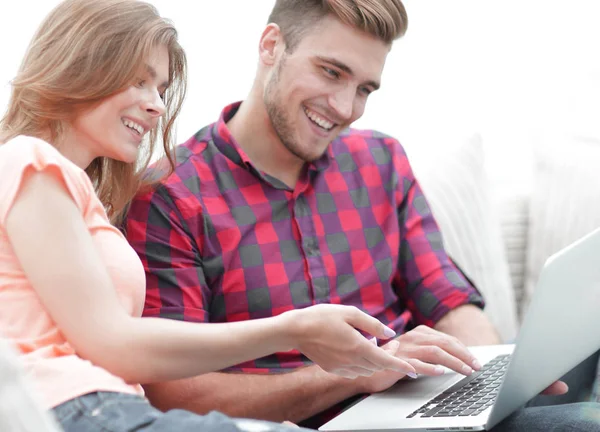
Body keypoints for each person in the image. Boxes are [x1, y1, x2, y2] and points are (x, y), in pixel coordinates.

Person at [124, 0, 600, 430]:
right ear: (271, 46)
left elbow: (449, 302)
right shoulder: (169, 195)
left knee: (579, 360)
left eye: (365, 88)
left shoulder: (381, 161)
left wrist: (490, 379)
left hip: (425, 406)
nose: (346, 107)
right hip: (313, 421)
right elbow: (176, 395)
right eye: (331, 72)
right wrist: (356, 374)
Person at [0, 1, 423, 431]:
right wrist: (293, 330)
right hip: (80, 408)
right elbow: (112, 343)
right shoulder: (29, 161)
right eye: (139, 80)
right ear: (80, 64)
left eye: (161, 89)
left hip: (109, 407)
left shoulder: (74, 191)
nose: (157, 107)